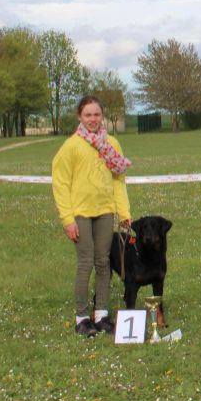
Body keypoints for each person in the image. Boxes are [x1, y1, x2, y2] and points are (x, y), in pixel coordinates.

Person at [51, 95, 132, 337]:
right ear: (80, 117)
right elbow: (61, 184)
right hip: (80, 214)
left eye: (97, 114)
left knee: (103, 262)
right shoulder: (71, 147)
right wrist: (67, 219)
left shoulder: (112, 145)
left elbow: (119, 182)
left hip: (105, 211)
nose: (93, 119)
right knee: (86, 263)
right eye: (88, 115)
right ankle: (82, 317)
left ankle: (102, 315)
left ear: (102, 115)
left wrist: (124, 213)